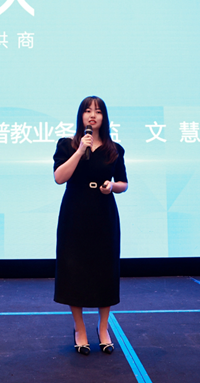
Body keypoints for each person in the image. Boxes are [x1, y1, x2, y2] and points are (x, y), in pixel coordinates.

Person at [53, 96, 128, 355]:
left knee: (105, 269)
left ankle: (103, 328)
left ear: (104, 118)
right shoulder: (67, 144)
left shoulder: (114, 149)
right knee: (73, 269)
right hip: (75, 212)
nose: (92, 115)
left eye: (98, 111)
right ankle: (80, 329)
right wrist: (79, 151)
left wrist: (112, 186)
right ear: (81, 116)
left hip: (103, 213)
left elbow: (123, 183)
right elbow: (59, 177)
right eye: (87, 111)